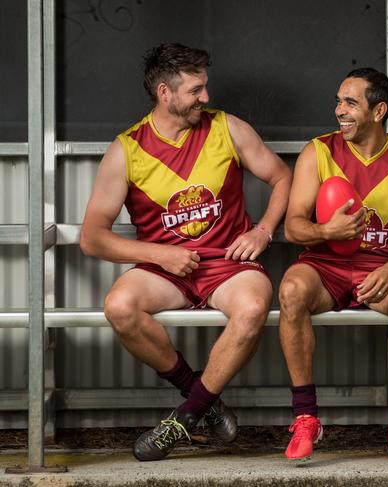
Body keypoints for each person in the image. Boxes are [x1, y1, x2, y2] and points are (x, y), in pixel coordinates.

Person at [80, 43, 292, 461]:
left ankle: (184, 418)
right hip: (168, 269)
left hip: (228, 265)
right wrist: (160, 255)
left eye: (205, 87)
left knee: (252, 309)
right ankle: (203, 397)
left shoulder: (228, 128)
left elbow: (282, 177)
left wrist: (264, 231)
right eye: (196, 90)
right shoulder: (127, 149)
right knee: (119, 307)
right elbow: (92, 237)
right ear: (165, 93)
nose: (206, 98)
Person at [279, 68, 388, 467]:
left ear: (379, 110)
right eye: (338, 101)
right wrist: (326, 229)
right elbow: (292, 227)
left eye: (350, 103)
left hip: (381, 268)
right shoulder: (317, 152)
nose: (339, 111)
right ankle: (306, 418)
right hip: (325, 266)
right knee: (291, 291)